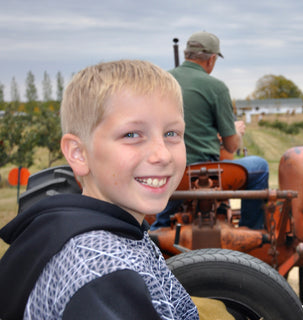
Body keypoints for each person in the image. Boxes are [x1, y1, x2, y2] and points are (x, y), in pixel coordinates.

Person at [0, 60, 199, 319]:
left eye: (172, 133)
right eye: (132, 135)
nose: (162, 155)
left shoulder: (122, 230)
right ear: (79, 153)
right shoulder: (102, 276)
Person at [151, 31, 269, 230]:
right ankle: (253, 231)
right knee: (260, 166)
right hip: (205, 172)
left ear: (187, 54)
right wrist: (236, 131)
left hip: (168, 170)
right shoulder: (216, 87)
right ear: (211, 59)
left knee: (168, 200)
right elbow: (231, 146)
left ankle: (159, 227)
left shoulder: (161, 82)